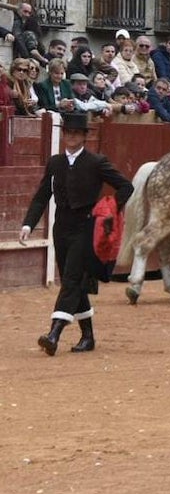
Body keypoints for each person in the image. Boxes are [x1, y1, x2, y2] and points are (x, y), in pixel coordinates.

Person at [19, 112, 134, 355]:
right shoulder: (55, 163)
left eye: (76, 133)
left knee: (71, 278)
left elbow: (126, 186)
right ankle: (88, 336)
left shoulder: (96, 162)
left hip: (86, 228)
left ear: (84, 136)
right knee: (75, 282)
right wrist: (28, 224)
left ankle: (54, 334)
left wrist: (110, 209)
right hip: (61, 229)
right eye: (68, 132)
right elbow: (42, 196)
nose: (71, 136)